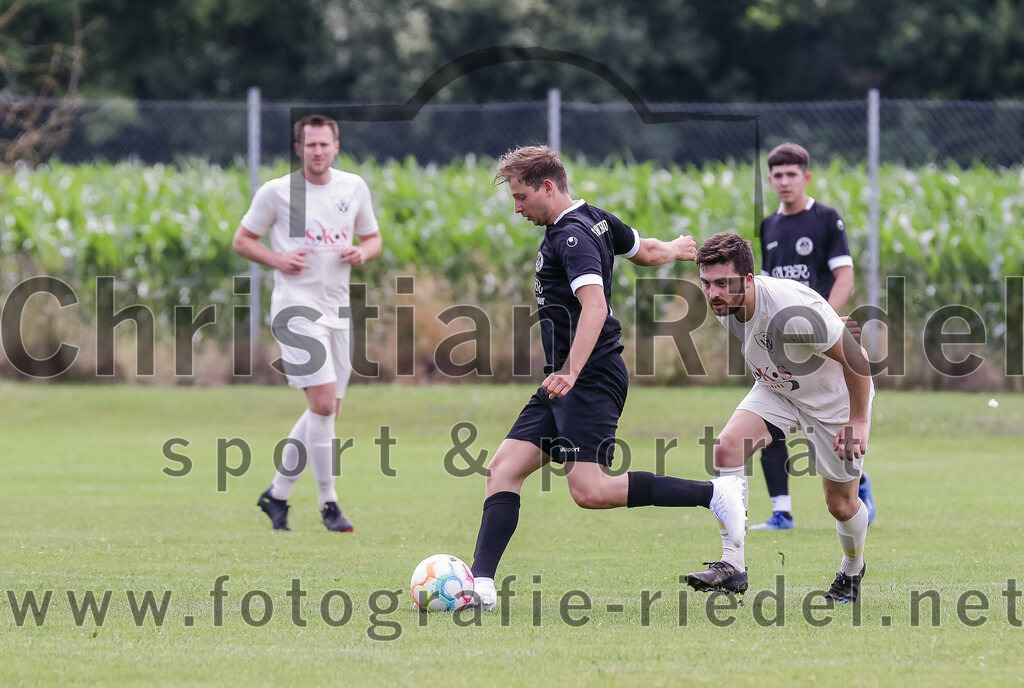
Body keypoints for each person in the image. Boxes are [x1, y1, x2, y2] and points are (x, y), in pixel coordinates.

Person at [468, 146, 747, 610]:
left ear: (548, 187)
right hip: (564, 380)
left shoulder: (571, 238)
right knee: (503, 470)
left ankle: (716, 494)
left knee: (591, 491)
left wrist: (572, 370)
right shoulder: (596, 219)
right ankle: (480, 586)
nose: (517, 209)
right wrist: (676, 250)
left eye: (520, 198)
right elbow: (645, 250)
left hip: (588, 376)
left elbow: (595, 307)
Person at [686, 232, 874, 602]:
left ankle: (852, 570)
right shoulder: (728, 305)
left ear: (750, 280)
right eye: (706, 284)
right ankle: (732, 565)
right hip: (778, 389)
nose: (713, 295)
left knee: (840, 504)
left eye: (723, 284)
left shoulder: (790, 310)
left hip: (832, 402)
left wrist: (858, 421)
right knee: (726, 450)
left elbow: (857, 357)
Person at [232, 114, 382, 532]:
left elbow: (372, 238)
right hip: (296, 309)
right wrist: (278, 260)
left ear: (336, 146)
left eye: (324, 143)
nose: (318, 151)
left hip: (338, 311)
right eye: (310, 144)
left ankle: (276, 495)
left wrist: (362, 254)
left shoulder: (352, 188)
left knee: (328, 408)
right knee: (321, 405)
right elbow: (242, 240)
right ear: (299, 149)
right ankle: (329, 504)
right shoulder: (279, 192)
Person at [752, 142, 876, 531]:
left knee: (824, 422)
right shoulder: (769, 226)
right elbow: (768, 286)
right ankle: (781, 512)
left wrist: (824, 319)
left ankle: (859, 483)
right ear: (770, 180)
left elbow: (845, 277)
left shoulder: (825, 219)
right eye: (778, 175)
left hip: (819, 339)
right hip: (780, 344)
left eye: (792, 175)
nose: (785, 182)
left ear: (806, 177)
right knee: (769, 420)